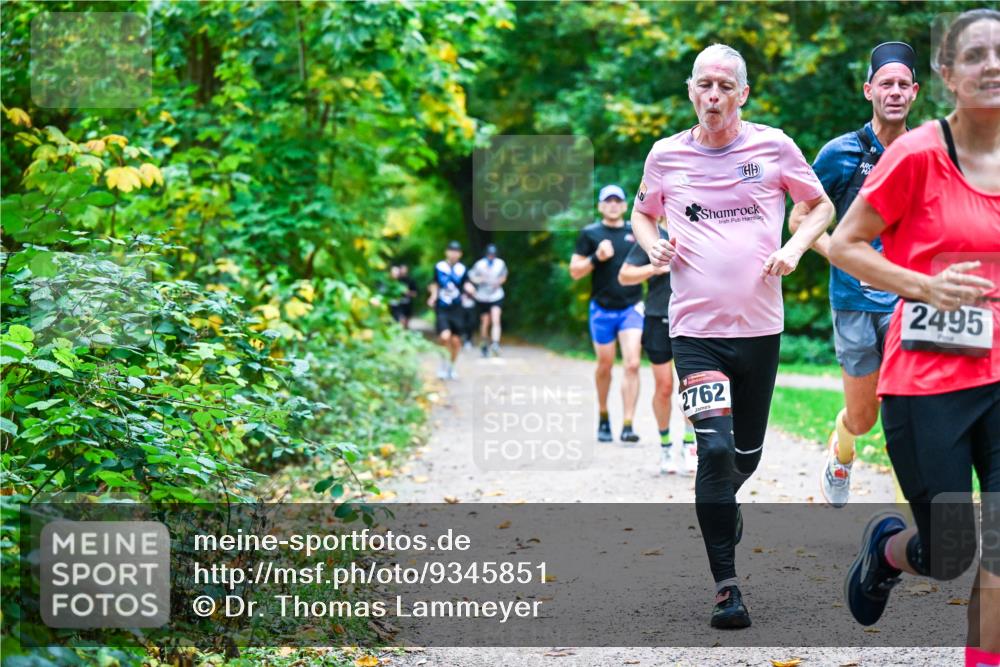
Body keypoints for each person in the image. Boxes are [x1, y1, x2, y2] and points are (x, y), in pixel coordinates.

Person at [631, 44, 834, 629]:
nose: (713, 95)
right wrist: (652, 243)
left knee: (743, 455)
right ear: (691, 91)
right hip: (693, 329)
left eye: (724, 85)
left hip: (760, 330)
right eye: (703, 85)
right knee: (714, 452)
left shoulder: (773, 146)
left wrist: (794, 249)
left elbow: (818, 206)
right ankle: (727, 586)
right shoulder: (666, 155)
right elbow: (646, 213)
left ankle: (722, 503)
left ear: (742, 94)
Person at [830, 10, 1000, 666]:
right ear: (948, 75)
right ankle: (890, 549)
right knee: (950, 551)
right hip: (929, 380)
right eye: (975, 54)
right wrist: (922, 285)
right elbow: (845, 245)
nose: (991, 64)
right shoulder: (918, 153)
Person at [789, 42, 920, 508]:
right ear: (869, 90)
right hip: (853, 302)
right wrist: (838, 254)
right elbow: (799, 217)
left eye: (904, 84)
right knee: (864, 418)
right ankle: (843, 451)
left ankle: (920, 517)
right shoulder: (840, 153)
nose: (895, 92)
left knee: (911, 411)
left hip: (909, 301)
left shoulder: (924, 152)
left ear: (915, 93)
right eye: (886, 83)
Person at [618, 218, 698, 475]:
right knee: (664, 388)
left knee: (691, 387)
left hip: (693, 318)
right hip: (657, 317)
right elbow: (625, 275)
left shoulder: (698, 227)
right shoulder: (652, 236)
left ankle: (690, 445)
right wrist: (653, 269)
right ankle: (665, 446)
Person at [569, 184, 645, 444]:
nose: (613, 205)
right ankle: (603, 417)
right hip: (601, 308)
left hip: (631, 307)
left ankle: (628, 424)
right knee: (605, 365)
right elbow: (575, 271)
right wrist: (596, 257)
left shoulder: (635, 232)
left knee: (633, 364)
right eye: (607, 201)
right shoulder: (590, 233)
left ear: (625, 206)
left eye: (618, 200)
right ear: (600, 206)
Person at [427, 241, 474, 380]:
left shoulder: (462, 269)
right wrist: (433, 296)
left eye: (456, 251)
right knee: (444, 336)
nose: (453, 253)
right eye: (451, 250)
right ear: (446, 252)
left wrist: (470, 288)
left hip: (457, 308)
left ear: (460, 254)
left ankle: (451, 367)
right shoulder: (439, 267)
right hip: (442, 307)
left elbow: (466, 283)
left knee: (456, 341)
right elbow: (434, 283)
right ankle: (443, 363)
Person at [470, 243, 508, 357]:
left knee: (496, 318)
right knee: (485, 322)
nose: (491, 256)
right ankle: (484, 343)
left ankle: (495, 343)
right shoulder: (479, 265)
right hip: (482, 296)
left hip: (496, 295)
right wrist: (479, 279)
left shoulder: (500, 263)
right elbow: (472, 277)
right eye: (489, 254)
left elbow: (504, 276)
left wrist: (498, 282)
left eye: (493, 254)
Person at [389, 264, 418, 329]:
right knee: (400, 320)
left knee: (405, 321)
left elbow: (415, 293)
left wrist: (408, 293)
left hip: (406, 304)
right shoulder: (391, 282)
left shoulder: (410, 280)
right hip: (396, 305)